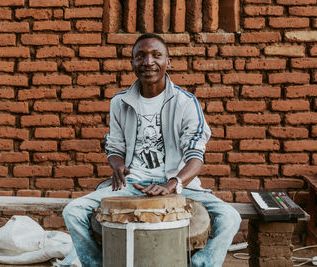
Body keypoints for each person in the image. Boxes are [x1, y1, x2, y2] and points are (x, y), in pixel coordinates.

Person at [62, 33, 241, 267]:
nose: (148, 62)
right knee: (72, 212)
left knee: (230, 218)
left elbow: (195, 156)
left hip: (178, 186)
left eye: (156, 55)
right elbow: (114, 147)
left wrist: (172, 184)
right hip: (132, 185)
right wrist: (116, 164)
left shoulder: (186, 102)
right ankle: (96, 264)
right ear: (132, 63)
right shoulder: (120, 102)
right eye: (141, 56)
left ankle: (201, 265)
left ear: (169, 62)